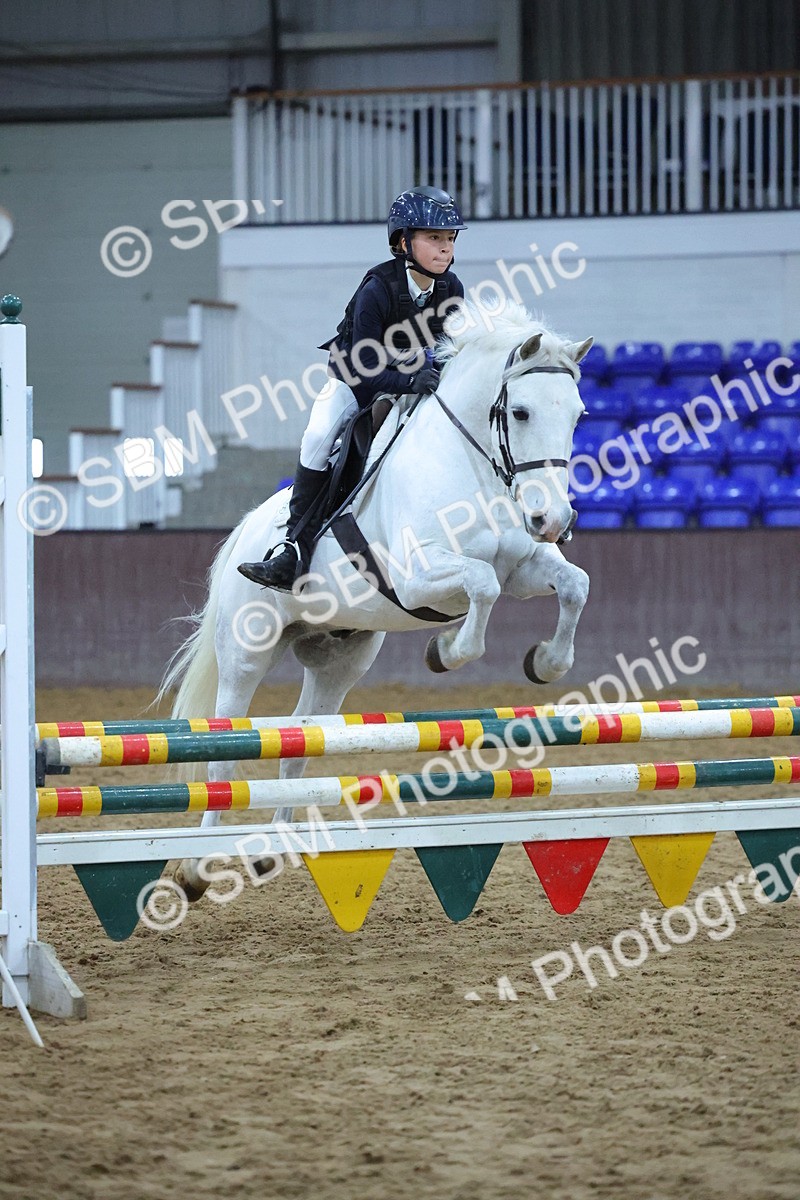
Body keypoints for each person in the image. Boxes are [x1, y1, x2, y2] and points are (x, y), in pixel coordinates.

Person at [237, 184, 467, 591]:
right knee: (317, 437)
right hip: (354, 380)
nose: (445, 248)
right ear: (403, 242)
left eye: (449, 238)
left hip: (411, 383)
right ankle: (292, 549)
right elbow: (362, 368)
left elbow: (451, 351)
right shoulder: (377, 288)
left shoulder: (452, 290)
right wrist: (410, 380)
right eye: (434, 238)